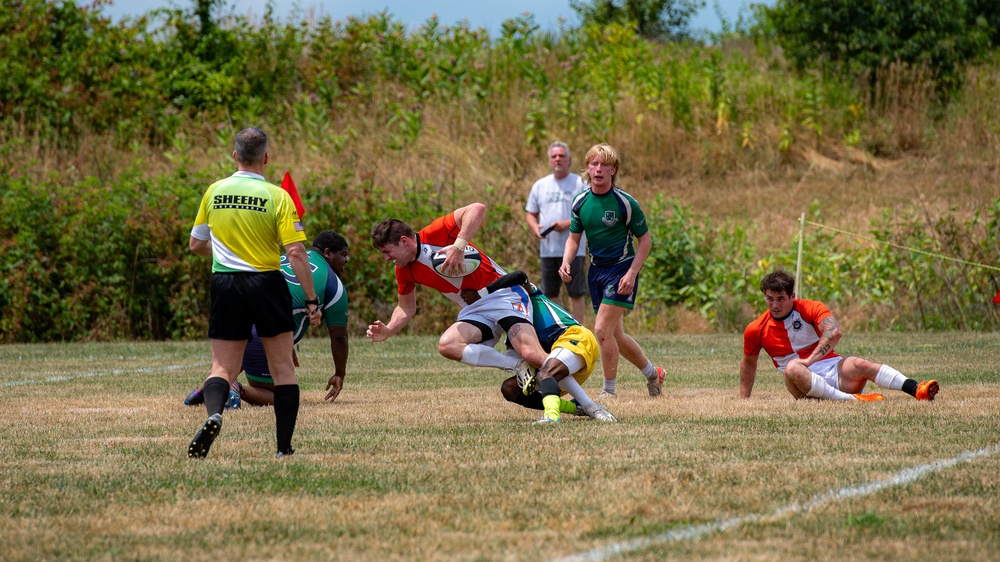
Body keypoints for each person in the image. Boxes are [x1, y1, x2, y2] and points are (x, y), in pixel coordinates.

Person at [187, 126, 321, 460]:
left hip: (226, 283)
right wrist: (311, 299)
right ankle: (283, 449)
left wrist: (223, 254)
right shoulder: (277, 196)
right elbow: (296, 253)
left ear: (234, 156)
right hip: (265, 283)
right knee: (282, 370)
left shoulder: (214, 191)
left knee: (222, 368)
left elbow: (196, 244)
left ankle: (215, 414)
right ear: (266, 158)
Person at [367, 203, 549, 380]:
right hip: (476, 309)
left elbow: (477, 208)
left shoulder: (435, 233)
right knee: (448, 345)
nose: (386, 258)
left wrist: (459, 246)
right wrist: (389, 330)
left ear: (404, 242)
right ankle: (517, 366)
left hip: (502, 295)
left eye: (387, 251)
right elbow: (406, 308)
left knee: (533, 354)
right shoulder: (403, 270)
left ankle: (576, 395)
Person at [183, 231, 351, 407]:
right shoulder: (334, 285)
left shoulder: (287, 257)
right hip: (264, 329)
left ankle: (201, 391)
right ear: (327, 253)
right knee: (282, 396)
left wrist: (286, 343)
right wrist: (340, 373)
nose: (346, 260)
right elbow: (339, 337)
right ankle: (236, 388)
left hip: (234, 311)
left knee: (229, 364)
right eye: (344, 254)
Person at [559, 143, 666, 398]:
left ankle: (609, 392)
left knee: (601, 331)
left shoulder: (625, 203)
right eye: (594, 164)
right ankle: (653, 374)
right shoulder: (580, 201)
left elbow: (646, 241)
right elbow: (574, 238)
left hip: (621, 270)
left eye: (604, 165)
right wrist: (566, 261)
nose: (598, 169)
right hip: (596, 271)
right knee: (615, 334)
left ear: (613, 170)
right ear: (587, 168)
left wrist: (631, 274)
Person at [740, 270, 940, 402]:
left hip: (833, 369)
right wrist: (744, 401)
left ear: (793, 296)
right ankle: (852, 401)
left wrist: (810, 359)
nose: (774, 305)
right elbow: (748, 363)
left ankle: (916, 389)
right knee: (793, 367)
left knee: (861, 364)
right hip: (803, 384)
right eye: (770, 299)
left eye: (781, 299)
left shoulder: (810, 307)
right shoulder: (756, 329)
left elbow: (834, 331)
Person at [460, 270, 617, 423]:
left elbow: (520, 276)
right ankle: (576, 407)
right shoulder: (510, 326)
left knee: (546, 374)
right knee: (509, 389)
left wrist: (482, 293)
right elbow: (515, 359)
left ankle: (558, 416)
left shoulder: (519, 293)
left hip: (575, 337)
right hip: (557, 358)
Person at [525, 141, 588, 323]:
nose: (558, 159)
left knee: (576, 292)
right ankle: (557, 328)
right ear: (549, 160)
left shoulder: (579, 183)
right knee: (550, 293)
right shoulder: (540, 185)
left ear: (569, 160)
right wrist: (535, 227)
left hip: (574, 248)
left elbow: (587, 212)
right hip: (548, 248)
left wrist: (568, 223)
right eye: (554, 156)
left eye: (561, 156)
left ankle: (580, 330)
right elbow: (530, 213)